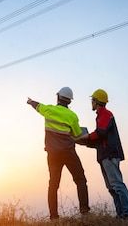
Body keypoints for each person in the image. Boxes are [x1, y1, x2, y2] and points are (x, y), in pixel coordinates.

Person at [27, 87, 90, 220]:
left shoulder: (49, 110)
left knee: (53, 184)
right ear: (69, 101)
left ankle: (54, 217)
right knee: (80, 180)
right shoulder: (72, 116)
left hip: (53, 155)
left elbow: (37, 106)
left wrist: (31, 101)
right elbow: (78, 135)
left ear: (58, 97)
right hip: (69, 153)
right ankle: (84, 211)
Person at [77, 89, 128, 220]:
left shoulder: (106, 114)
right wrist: (83, 141)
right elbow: (99, 140)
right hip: (104, 156)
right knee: (112, 188)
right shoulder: (100, 115)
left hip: (110, 155)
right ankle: (121, 215)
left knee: (117, 185)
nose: (91, 103)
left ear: (96, 101)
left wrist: (86, 136)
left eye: (92, 100)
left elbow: (100, 133)